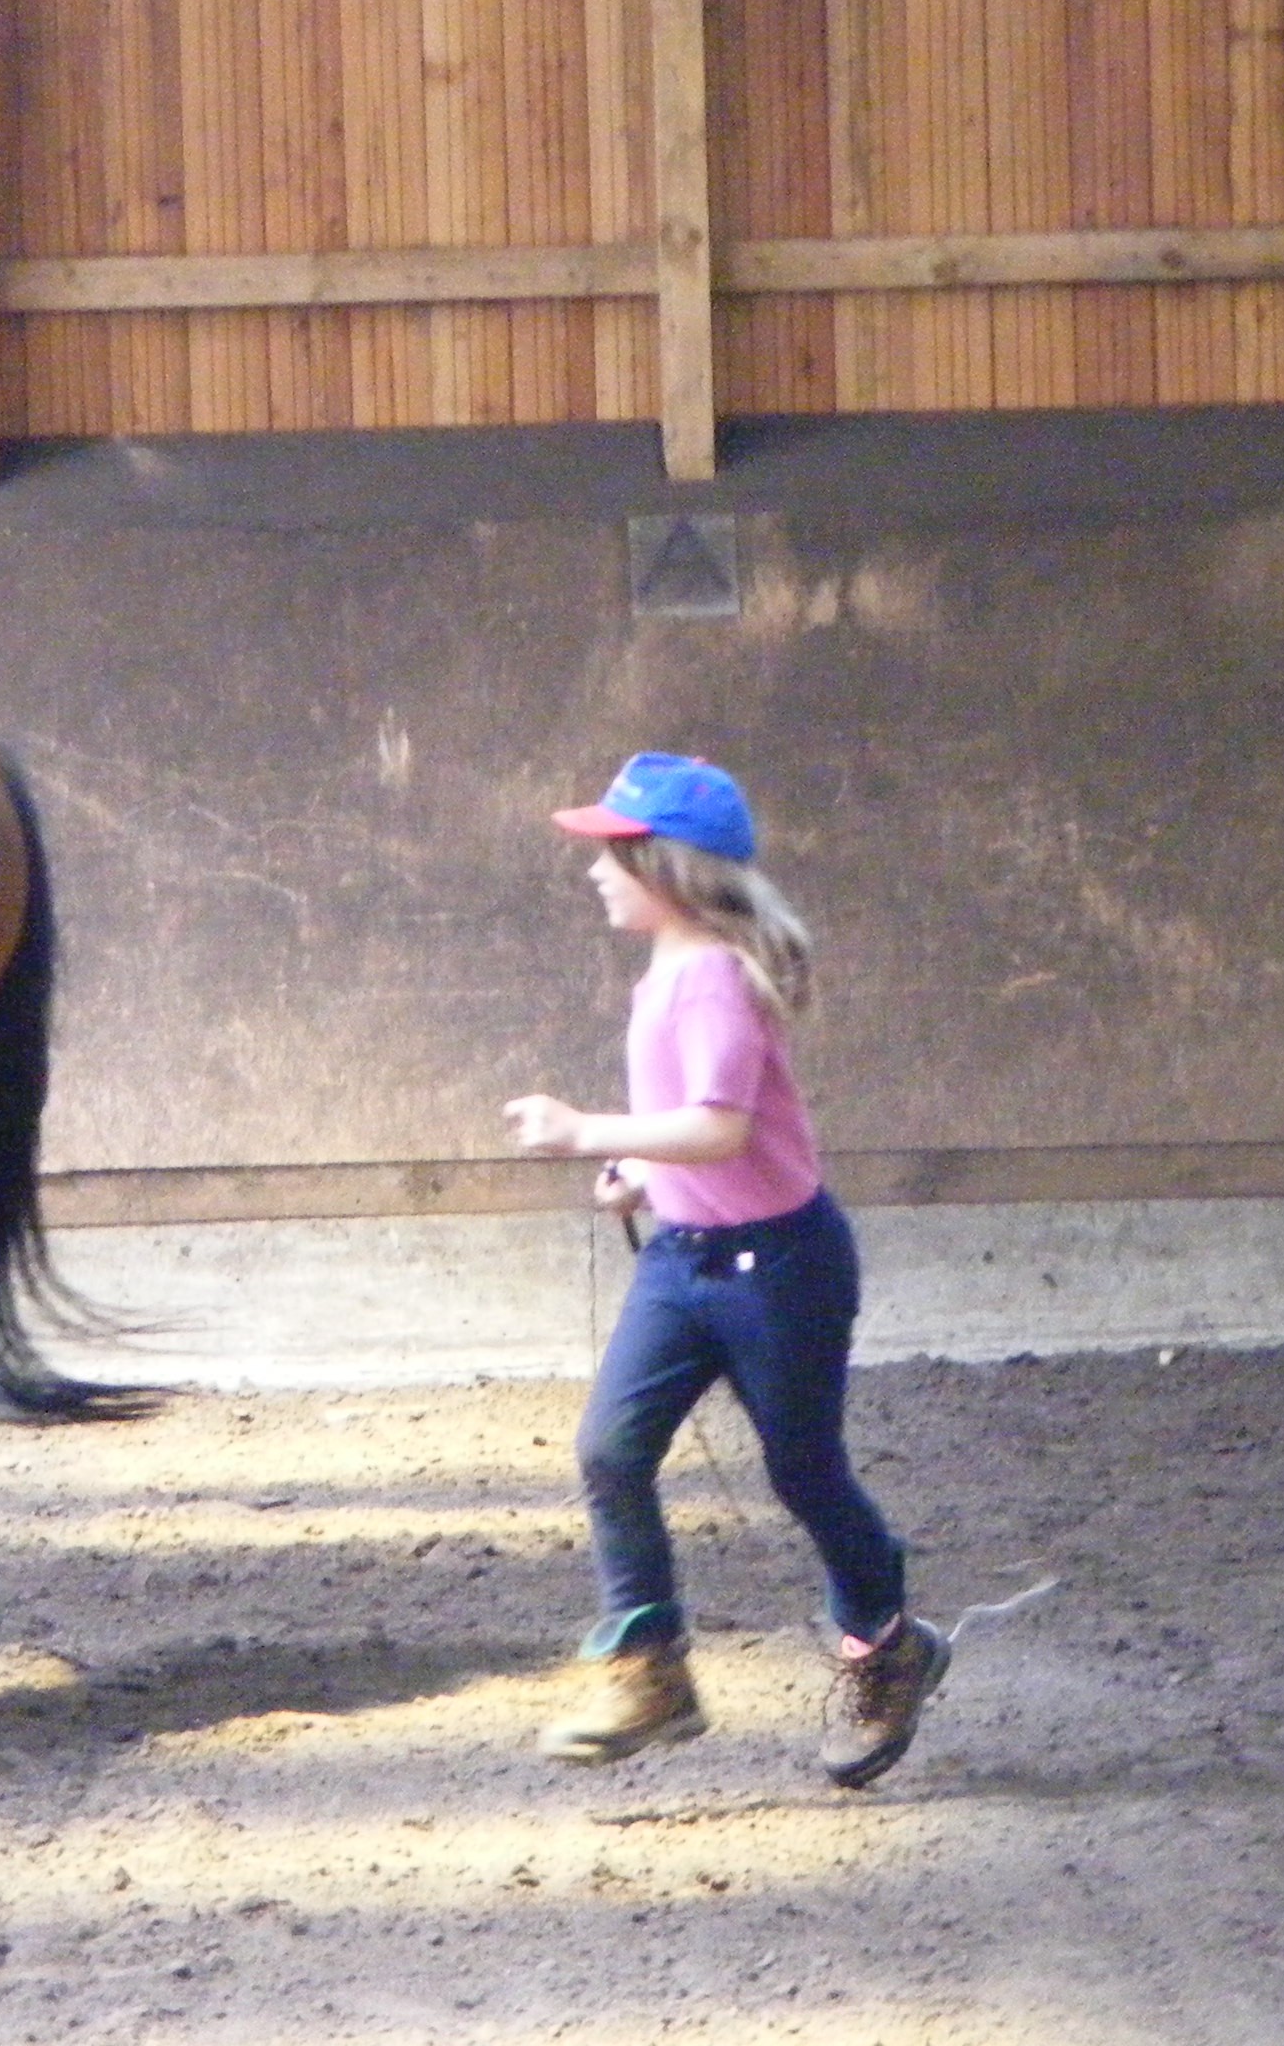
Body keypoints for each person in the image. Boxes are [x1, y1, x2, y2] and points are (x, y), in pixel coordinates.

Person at [502, 752, 944, 1790]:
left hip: (777, 1270)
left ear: (667, 867)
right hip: (686, 1259)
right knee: (611, 1452)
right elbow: (695, 1141)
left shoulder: (712, 981)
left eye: (613, 854)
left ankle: (886, 1641)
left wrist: (584, 1133)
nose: (594, 873)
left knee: (803, 1471)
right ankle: (647, 1667)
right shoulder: (671, 968)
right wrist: (639, 1174)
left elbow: (719, 1126)